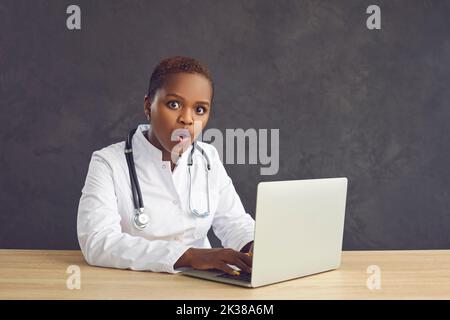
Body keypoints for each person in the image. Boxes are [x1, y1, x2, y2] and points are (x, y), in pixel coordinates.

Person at [77, 56, 254, 276]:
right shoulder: (109, 163)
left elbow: (234, 222)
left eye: (199, 109)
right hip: (134, 286)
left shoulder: (208, 158)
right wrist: (189, 256)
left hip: (203, 286)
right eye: (174, 104)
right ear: (148, 106)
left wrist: (254, 246)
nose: (187, 119)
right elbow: (97, 242)